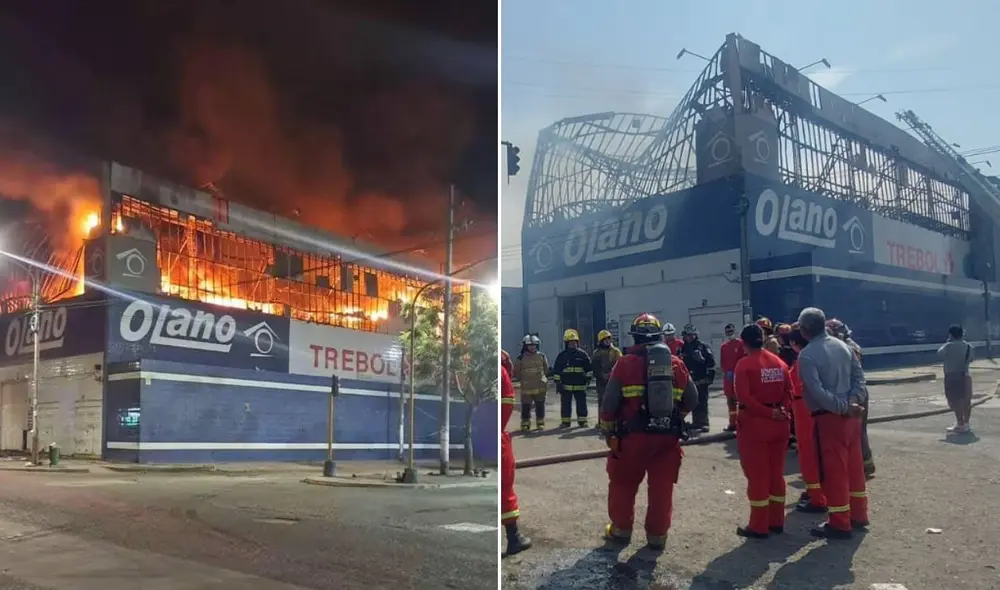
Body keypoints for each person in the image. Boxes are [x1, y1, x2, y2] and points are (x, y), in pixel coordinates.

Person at [598, 312, 699, 550]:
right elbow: (693, 399)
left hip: (631, 439)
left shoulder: (624, 364)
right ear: (659, 336)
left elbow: (609, 405)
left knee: (623, 484)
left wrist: (609, 432)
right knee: (661, 489)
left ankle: (621, 530)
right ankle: (657, 536)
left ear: (634, 337)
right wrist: (676, 416)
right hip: (667, 440)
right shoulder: (676, 364)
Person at [797, 307, 869, 539]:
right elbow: (859, 379)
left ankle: (839, 522)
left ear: (804, 330)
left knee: (834, 471)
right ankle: (859, 514)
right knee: (855, 466)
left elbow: (817, 391)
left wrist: (842, 407)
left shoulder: (807, 355)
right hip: (852, 417)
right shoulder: (844, 347)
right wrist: (853, 402)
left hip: (829, 418)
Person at [733, 323, 793, 538]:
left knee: (757, 475)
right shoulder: (779, 362)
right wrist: (781, 410)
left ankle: (759, 525)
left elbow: (744, 398)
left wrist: (768, 413)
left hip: (755, 426)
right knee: (776, 473)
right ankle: (776, 521)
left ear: (743, 342)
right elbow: (789, 392)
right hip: (780, 424)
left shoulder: (744, 365)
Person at [787, 324, 828, 513]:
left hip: (804, 409)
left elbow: (792, 385)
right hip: (817, 408)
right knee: (819, 453)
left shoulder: (803, 361)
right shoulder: (818, 356)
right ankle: (818, 492)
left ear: (795, 343)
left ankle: (817, 498)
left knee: (808, 454)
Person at [826, 319, 875, 478]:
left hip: (853, 392)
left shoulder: (847, 348)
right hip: (856, 391)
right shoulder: (849, 345)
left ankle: (863, 464)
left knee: (856, 430)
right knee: (858, 430)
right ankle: (864, 463)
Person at [500, 362, 532, 557]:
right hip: (498, 440)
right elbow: (507, 405)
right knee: (505, 490)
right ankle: (513, 538)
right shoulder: (501, 372)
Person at [553, 329, 593, 428]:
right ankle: (565, 422)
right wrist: (558, 383)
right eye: (570, 342)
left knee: (581, 404)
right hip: (566, 386)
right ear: (566, 344)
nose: (573, 344)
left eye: (574, 342)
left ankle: (583, 421)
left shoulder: (582, 354)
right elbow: (557, 370)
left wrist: (588, 379)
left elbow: (589, 368)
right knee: (565, 405)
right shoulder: (562, 356)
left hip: (580, 385)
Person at [938, 324, 974, 433]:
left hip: (952, 375)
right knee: (966, 400)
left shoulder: (948, 346)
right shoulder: (969, 346)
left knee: (954, 400)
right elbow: (971, 359)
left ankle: (960, 423)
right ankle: (966, 424)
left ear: (951, 335)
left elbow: (939, 354)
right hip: (966, 375)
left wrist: (948, 342)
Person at [680, 324, 716, 433]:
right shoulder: (683, 349)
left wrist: (703, 362)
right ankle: (696, 422)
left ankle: (704, 423)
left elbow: (711, 363)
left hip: (701, 379)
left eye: (692, 335)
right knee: (691, 401)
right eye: (687, 335)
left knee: (702, 402)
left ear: (695, 335)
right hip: (689, 380)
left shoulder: (703, 347)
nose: (689, 337)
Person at [513, 335, 549, 431]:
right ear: (525, 346)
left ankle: (540, 422)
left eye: (534, 345)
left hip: (540, 386)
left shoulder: (541, 356)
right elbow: (517, 372)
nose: (532, 347)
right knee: (526, 406)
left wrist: (543, 379)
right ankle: (525, 423)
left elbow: (546, 368)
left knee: (540, 405)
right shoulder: (520, 358)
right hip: (527, 387)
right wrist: (524, 380)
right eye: (530, 345)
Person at [719, 323, 747, 432]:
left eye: (731, 331)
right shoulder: (724, 346)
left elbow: (743, 359)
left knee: (742, 400)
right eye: (728, 332)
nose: (729, 333)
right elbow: (722, 362)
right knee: (730, 402)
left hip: (739, 375)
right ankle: (732, 423)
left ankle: (743, 423)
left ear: (734, 331)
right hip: (729, 378)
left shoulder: (740, 344)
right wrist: (726, 372)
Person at [592, 330, 622, 410]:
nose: (607, 341)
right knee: (602, 402)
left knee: (614, 402)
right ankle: (602, 418)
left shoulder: (616, 351)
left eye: (608, 339)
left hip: (614, 381)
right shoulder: (596, 353)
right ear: (601, 341)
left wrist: (612, 375)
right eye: (605, 339)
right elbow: (595, 368)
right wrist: (602, 375)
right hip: (601, 383)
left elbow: (621, 364)